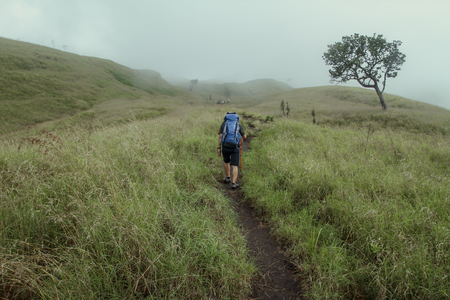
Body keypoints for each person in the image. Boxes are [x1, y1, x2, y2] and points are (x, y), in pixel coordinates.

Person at [217, 112, 247, 189]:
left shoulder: (224, 124)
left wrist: (219, 147)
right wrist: (242, 138)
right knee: (235, 165)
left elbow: (220, 136)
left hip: (225, 145)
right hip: (235, 147)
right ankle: (234, 183)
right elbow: (245, 137)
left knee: (226, 161)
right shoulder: (238, 124)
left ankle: (227, 178)